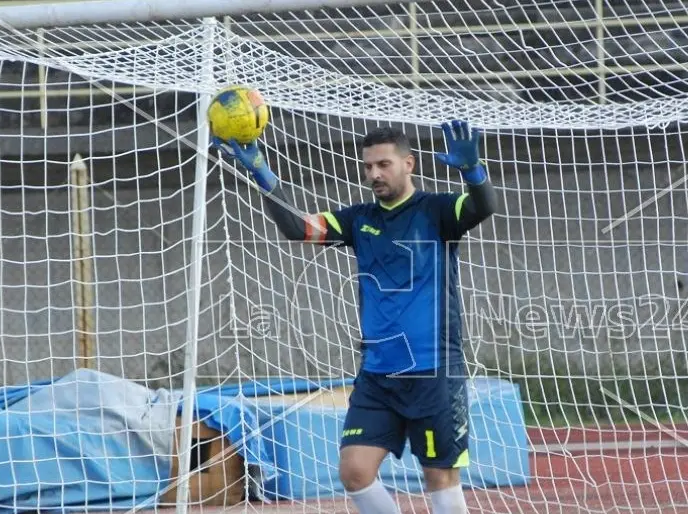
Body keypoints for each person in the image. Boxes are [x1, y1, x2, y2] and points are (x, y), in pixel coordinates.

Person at [213, 119, 498, 514]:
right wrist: (261, 171)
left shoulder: (437, 211)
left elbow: (483, 206)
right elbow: (299, 228)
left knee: (440, 478)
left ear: (408, 164)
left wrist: (471, 170)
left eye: (383, 164)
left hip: (434, 372)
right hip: (378, 375)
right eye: (368, 167)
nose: (374, 174)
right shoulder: (359, 219)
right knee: (354, 471)